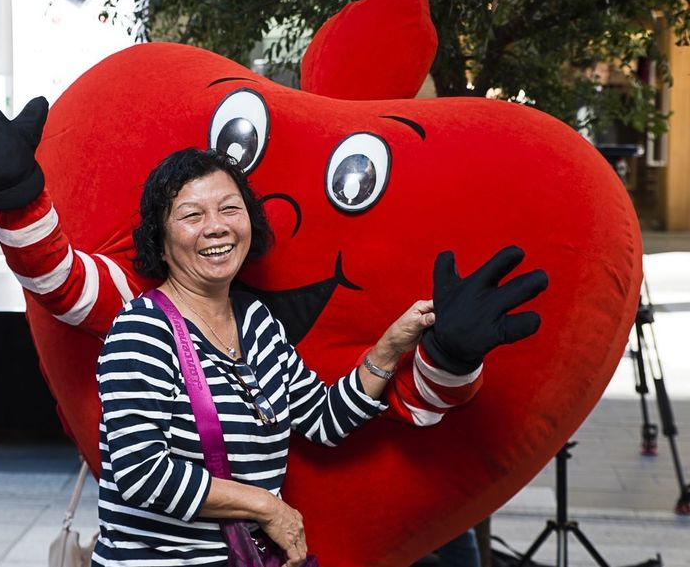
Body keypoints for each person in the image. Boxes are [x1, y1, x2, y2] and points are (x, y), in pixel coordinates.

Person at [92, 148, 441, 566]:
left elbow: (323, 419)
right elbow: (142, 472)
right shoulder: (143, 329)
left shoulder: (257, 321)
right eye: (192, 216)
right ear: (161, 242)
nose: (216, 227)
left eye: (229, 209)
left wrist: (390, 347)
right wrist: (267, 506)